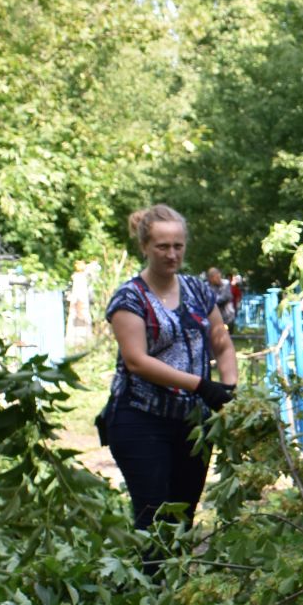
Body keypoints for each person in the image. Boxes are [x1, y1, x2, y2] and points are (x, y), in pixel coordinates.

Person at [102, 204, 238, 558]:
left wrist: (231, 388)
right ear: (145, 246)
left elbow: (221, 342)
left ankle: (172, 598)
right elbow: (137, 360)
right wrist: (201, 385)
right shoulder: (130, 297)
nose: (172, 254)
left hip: (193, 426)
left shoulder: (198, 290)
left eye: (178, 246)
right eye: (162, 246)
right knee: (153, 519)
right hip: (140, 420)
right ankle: (146, 604)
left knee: (183, 517)